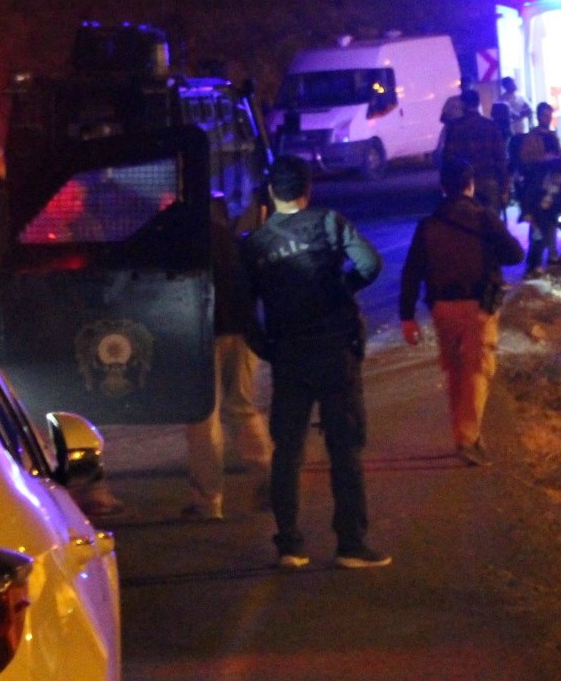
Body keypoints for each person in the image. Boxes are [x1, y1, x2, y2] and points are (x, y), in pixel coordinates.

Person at [239, 156, 389, 570]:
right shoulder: (328, 222)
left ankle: (290, 544)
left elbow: (244, 308)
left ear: (272, 193)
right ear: (308, 189)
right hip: (335, 350)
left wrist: (267, 346)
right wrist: (343, 290)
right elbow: (371, 264)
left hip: (289, 355)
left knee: (287, 450)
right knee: (344, 448)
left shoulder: (254, 245)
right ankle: (351, 544)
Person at [399, 161, 526, 463]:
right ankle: (468, 439)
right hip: (478, 306)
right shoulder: (484, 219)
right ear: (471, 185)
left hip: (442, 308)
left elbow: (411, 271)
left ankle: (465, 434)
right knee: (478, 370)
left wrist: (406, 316)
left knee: (457, 372)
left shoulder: (428, 224)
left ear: (443, 188)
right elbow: (515, 254)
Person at [182, 202, 273, 520]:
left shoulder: (186, 242)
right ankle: (271, 484)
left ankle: (208, 501)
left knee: (203, 418)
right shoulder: (233, 242)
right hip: (242, 331)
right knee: (243, 409)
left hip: (202, 335)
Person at [510, 103, 561, 272]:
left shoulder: (553, 136)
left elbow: (560, 158)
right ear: (538, 116)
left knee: (558, 223)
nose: (546, 118)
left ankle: (556, 258)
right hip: (538, 189)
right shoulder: (531, 138)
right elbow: (525, 160)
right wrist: (543, 159)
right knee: (540, 226)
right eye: (544, 115)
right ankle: (535, 264)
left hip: (555, 188)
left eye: (549, 115)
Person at [440, 90, 512, 217]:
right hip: (488, 180)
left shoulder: (455, 128)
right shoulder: (491, 126)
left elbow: (448, 158)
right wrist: (504, 186)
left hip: (463, 183)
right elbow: (501, 158)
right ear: (478, 103)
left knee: (467, 223)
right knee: (491, 222)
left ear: (462, 104)